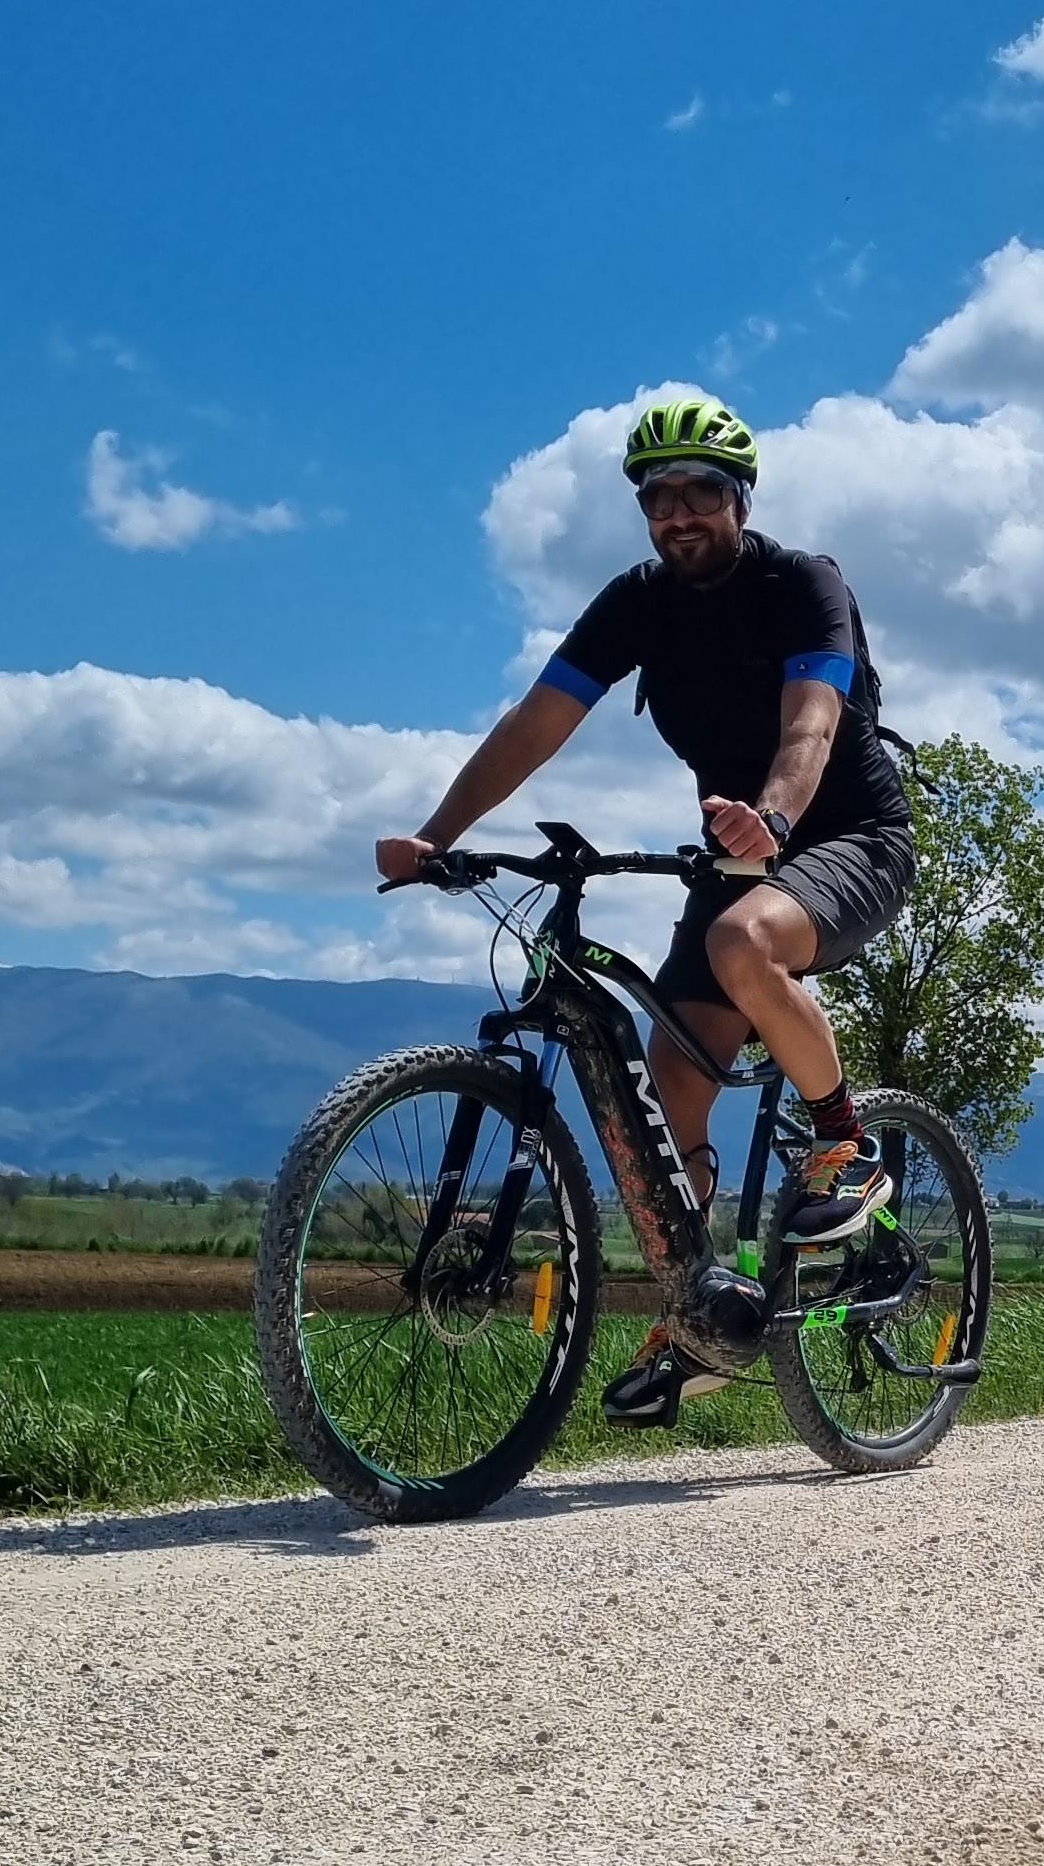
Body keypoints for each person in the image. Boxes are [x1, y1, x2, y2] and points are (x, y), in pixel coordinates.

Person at [375, 390, 916, 1411]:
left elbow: (811, 723)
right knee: (672, 1081)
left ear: (739, 500)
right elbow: (536, 722)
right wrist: (437, 837)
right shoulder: (637, 603)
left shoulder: (803, 585)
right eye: (657, 497)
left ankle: (846, 1151)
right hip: (736, 845)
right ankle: (698, 1316)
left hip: (844, 835)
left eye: (700, 492)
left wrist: (777, 820)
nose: (677, 514)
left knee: (744, 938)